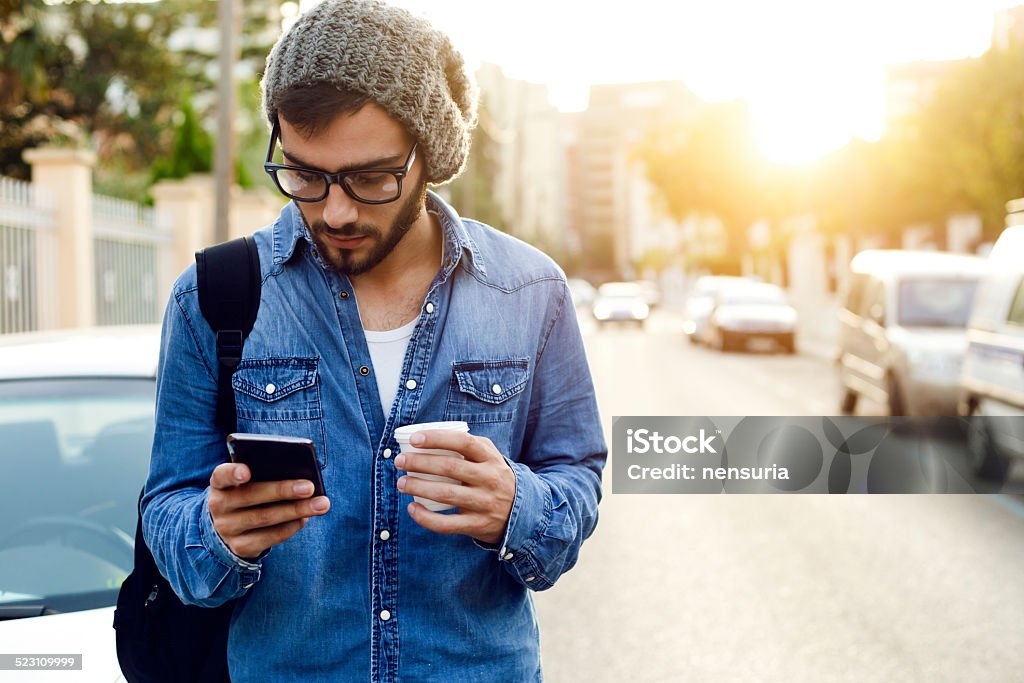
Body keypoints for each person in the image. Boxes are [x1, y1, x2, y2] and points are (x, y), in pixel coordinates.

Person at [142, 1, 606, 680]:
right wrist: (213, 535)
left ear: (430, 156)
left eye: (368, 178)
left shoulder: (531, 292)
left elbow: (578, 478)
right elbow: (167, 509)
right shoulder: (210, 298)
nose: (335, 209)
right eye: (304, 174)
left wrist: (517, 507)